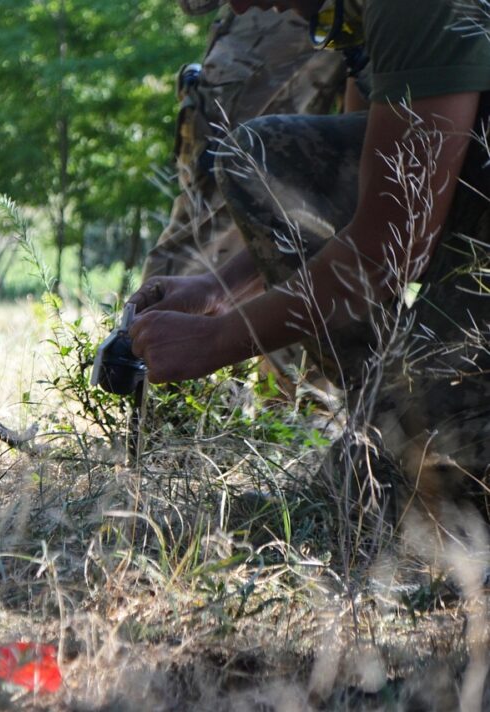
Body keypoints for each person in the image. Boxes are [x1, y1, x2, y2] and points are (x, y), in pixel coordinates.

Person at [127, 0, 490, 516]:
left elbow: (389, 247)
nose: (239, 7)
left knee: (433, 485)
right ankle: (392, 429)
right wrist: (218, 290)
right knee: (265, 155)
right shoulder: (357, 17)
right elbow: (350, 203)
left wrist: (216, 341)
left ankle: (438, 452)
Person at [143, 0, 345, 279]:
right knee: (230, 185)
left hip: (326, 24)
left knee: (369, 168)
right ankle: (161, 304)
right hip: (277, 32)